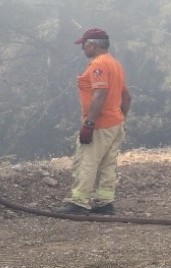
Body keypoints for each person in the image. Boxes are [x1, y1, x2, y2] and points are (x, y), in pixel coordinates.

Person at [52, 28, 131, 215]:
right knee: (107, 165)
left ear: (93, 45)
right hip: (116, 124)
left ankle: (79, 202)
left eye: (84, 45)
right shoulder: (115, 64)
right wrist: (120, 121)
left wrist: (90, 124)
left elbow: (99, 95)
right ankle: (105, 203)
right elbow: (127, 97)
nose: (82, 49)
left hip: (100, 125)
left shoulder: (99, 65)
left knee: (87, 161)